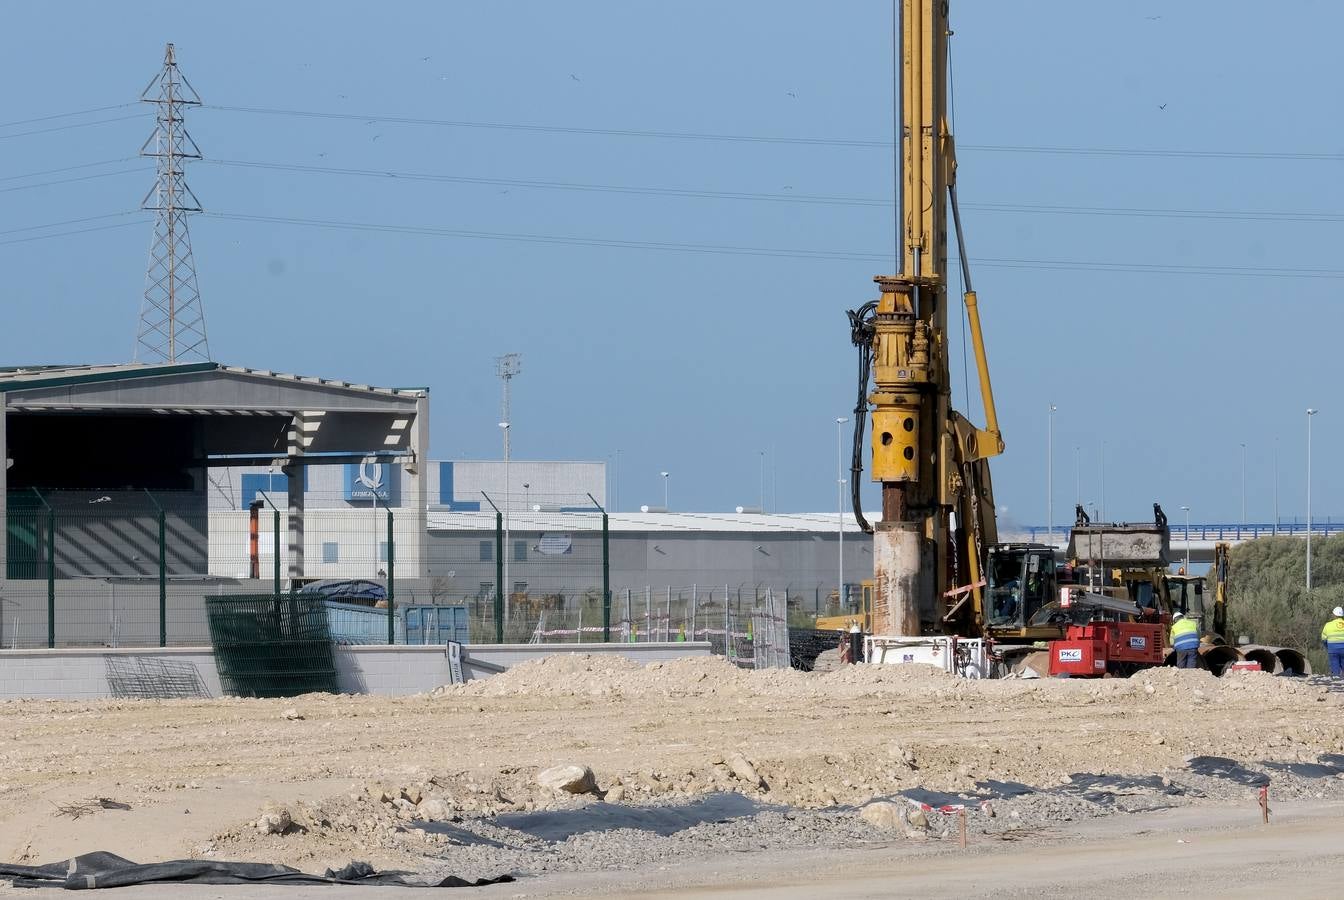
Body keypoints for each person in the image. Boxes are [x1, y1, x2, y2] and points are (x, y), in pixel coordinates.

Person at [1321, 607, 1344, 677]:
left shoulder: (1328, 625)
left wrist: (1328, 647)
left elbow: (1324, 639)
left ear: (1334, 615)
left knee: (1335, 666)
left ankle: (1335, 683)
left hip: (1333, 649)